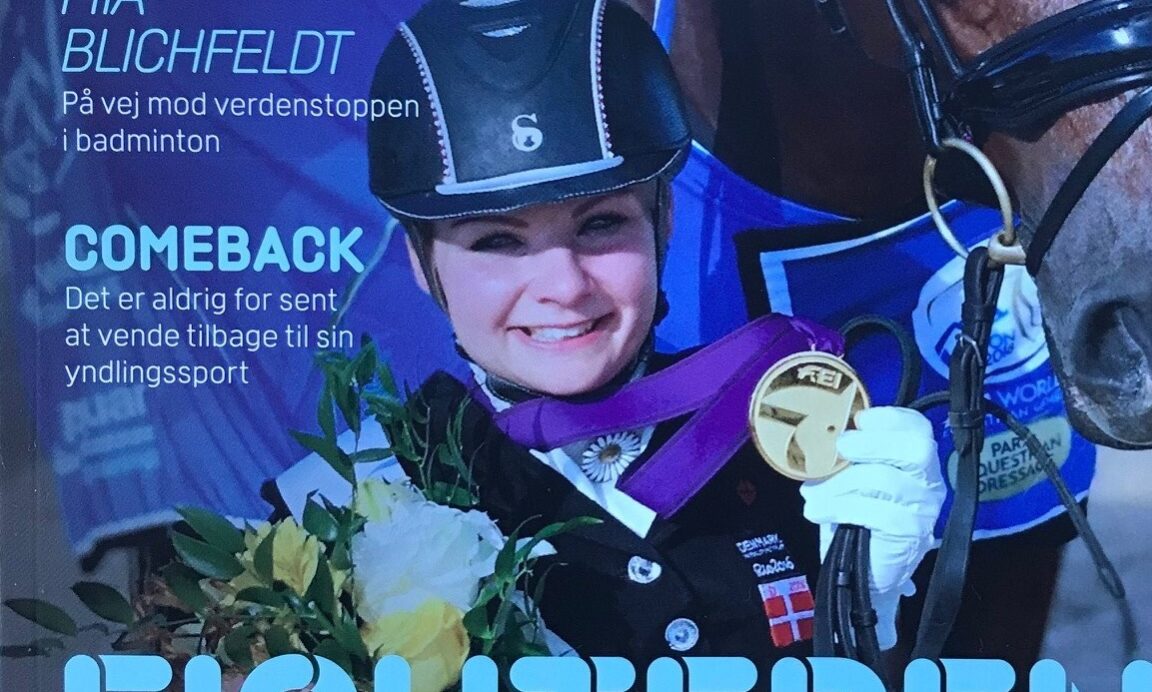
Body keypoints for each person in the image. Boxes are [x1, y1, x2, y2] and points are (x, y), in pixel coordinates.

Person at [276, 0, 947, 680]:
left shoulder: (791, 445)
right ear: (422, 264)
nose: (564, 287)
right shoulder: (339, 511)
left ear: (664, 220)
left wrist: (868, 614)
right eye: (497, 241)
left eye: (600, 224)